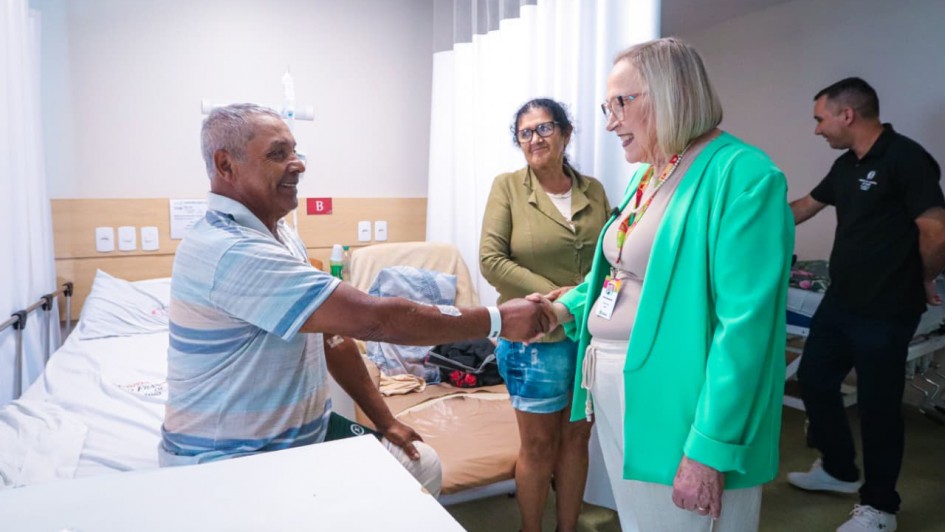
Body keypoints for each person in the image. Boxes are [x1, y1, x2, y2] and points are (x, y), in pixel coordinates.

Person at [160, 103, 555, 497]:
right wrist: (499, 319)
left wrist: (386, 420)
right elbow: (376, 320)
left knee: (419, 463)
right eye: (278, 154)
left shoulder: (280, 236)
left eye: (295, 151)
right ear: (226, 165)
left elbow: (336, 336)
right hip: (234, 461)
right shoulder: (229, 250)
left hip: (303, 440)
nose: (297, 165)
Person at [536, 37, 794, 532]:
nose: (610, 122)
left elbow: (745, 329)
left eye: (620, 103)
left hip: (682, 398)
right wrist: (566, 308)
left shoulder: (744, 176)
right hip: (619, 386)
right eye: (605, 106)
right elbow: (621, 272)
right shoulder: (652, 173)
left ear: (670, 92)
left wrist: (708, 449)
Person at [787, 77, 945, 532]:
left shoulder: (906, 158)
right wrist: (741, 216)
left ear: (847, 114)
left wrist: (925, 276)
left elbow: (935, 229)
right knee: (815, 380)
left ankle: (880, 507)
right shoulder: (846, 167)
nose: (817, 129)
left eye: (820, 118)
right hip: (841, 301)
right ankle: (838, 469)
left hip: (888, 306)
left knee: (877, 406)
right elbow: (803, 208)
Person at [479, 98, 611, 532]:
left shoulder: (593, 190)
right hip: (534, 337)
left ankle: (567, 527)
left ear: (566, 133)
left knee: (577, 438)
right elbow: (491, 260)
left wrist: (576, 298)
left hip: (589, 334)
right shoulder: (508, 187)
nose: (535, 139)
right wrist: (548, 297)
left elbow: (611, 256)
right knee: (538, 446)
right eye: (525, 132)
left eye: (544, 128)